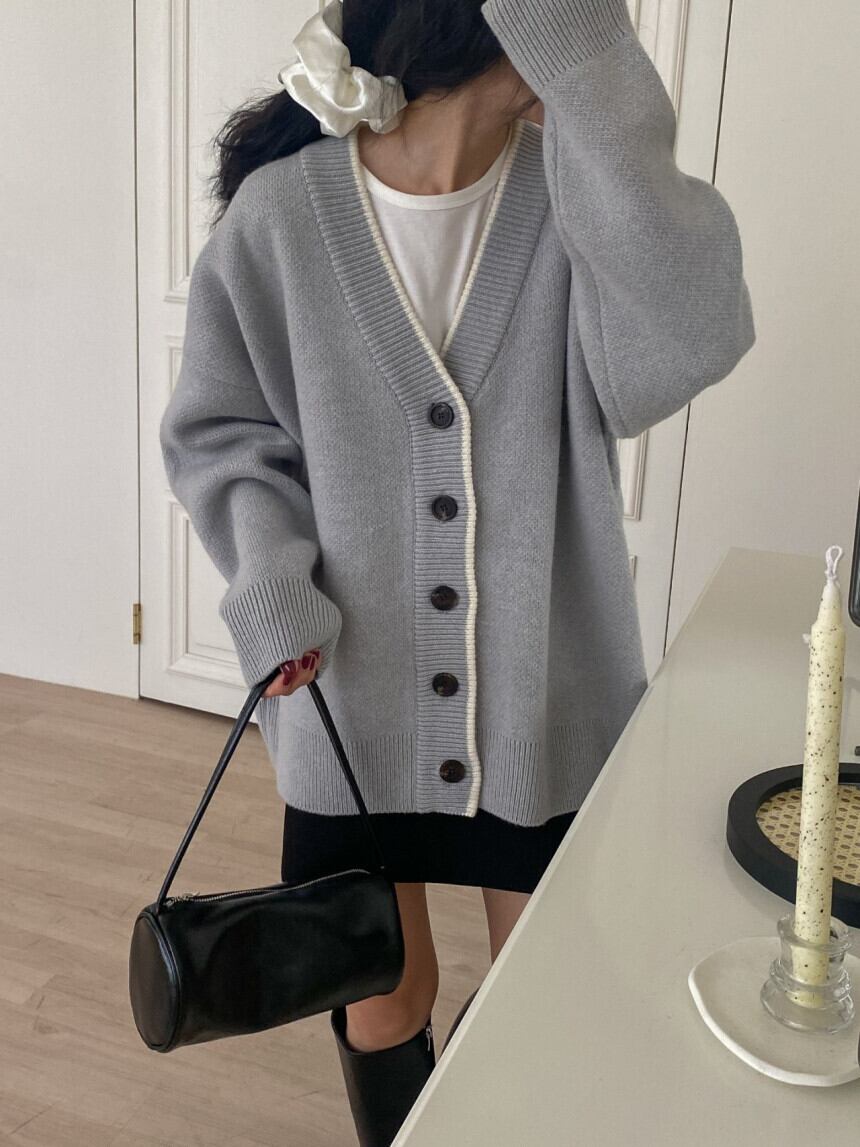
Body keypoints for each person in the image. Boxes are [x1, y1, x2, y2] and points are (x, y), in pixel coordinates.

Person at [159, 1, 756, 1143]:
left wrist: (595, 81)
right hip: (348, 701)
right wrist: (269, 577)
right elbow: (222, 432)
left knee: (551, 985)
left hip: (545, 698)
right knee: (383, 990)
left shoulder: (576, 206)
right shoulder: (281, 217)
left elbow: (688, 337)